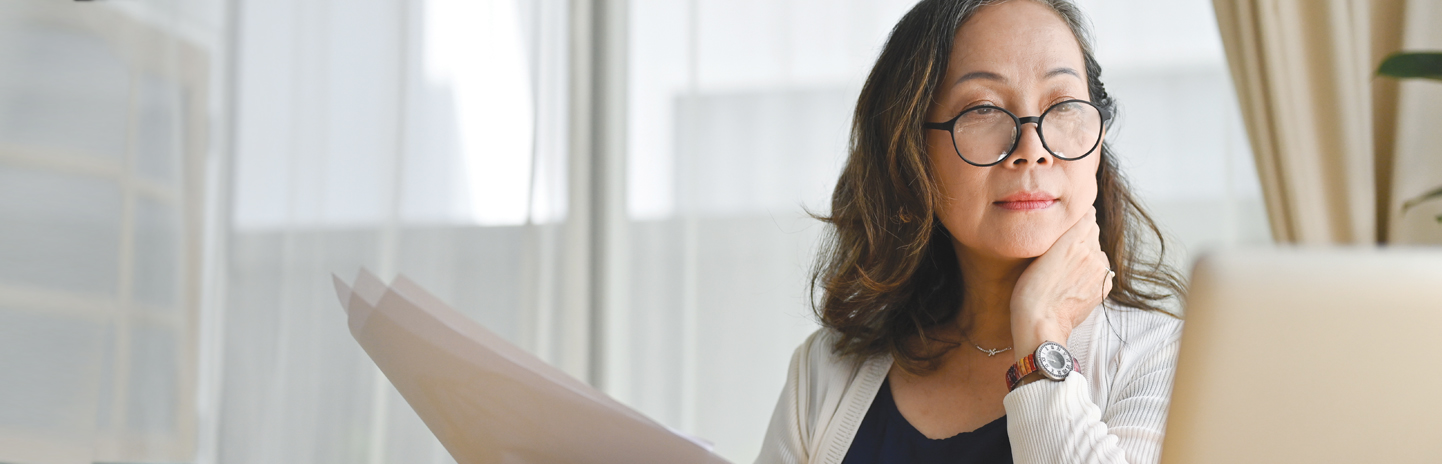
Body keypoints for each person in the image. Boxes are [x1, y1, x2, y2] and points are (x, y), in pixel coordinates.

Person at [754, 0, 1187, 463]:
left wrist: (1041, 335)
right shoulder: (824, 372)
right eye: (983, 110)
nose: (1033, 148)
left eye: (1062, 105)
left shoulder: (1166, 361)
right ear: (911, 153)